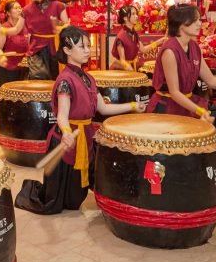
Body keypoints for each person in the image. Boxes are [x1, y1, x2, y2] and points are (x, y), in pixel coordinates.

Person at [15, 26, 146, 214]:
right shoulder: (65, 81)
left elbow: (103, 108)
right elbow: (62, 115)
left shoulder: (89, 79)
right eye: (81, 46)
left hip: (84, 137)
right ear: (67, 50)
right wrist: (67, 133)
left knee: (75, 199)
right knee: (55, 204)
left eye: (88, 45)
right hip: (66, 141)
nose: (87, 50)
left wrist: (133, 106)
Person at [22, 0, 69, 79]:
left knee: (55, 78)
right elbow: (18, 29)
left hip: (54, 47)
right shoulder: (26, 10)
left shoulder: (58, 6)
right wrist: (3, 30)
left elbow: (67, 26)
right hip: (36, 49)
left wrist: (59, 28)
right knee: (38, 76)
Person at [111, 5, 163, 71]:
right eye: (133, 14)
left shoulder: (134, 34)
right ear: (125, 18)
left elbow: (143, 50)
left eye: (136, 14)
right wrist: (131, 70)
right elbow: (122, 61)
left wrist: (160, 41)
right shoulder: (121, 37)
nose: (136, 16)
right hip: (122, 71)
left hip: (131, 68)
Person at [0, 0, 28, 88]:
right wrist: (2, 57)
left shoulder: (25, 27)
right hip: (8, 67)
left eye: (20, 8)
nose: (19, 10)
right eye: (16, 8)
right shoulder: (4, 28)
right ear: (8, 13)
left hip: (23, 67)